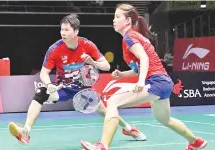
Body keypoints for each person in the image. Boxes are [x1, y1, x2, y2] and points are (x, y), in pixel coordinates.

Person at [80, 3, 207, 150]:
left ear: (128, 21)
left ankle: (103, 146)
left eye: (117, 16)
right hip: (164, 82)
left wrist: (140, 82)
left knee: (113, 102)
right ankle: (196, 142)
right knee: (165, 120)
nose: (114, 20)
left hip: (156, 81)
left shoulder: (129, 37)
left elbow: (144, 58)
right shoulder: (135, 36)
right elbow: (139, 68)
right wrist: (122, 74)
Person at [8, 14, 146, 144]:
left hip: (84, 90)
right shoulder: (55, 49)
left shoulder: (87, 45)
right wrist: (49, 84)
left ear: (76, 31)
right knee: (41, 93)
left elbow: (106, 66)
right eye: (62, 29)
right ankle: (26, 131)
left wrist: (93, 62)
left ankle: (129, 129)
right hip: (63, 88)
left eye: (67, 30)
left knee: (105, 110)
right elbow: (44, 72)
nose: (63, 33)